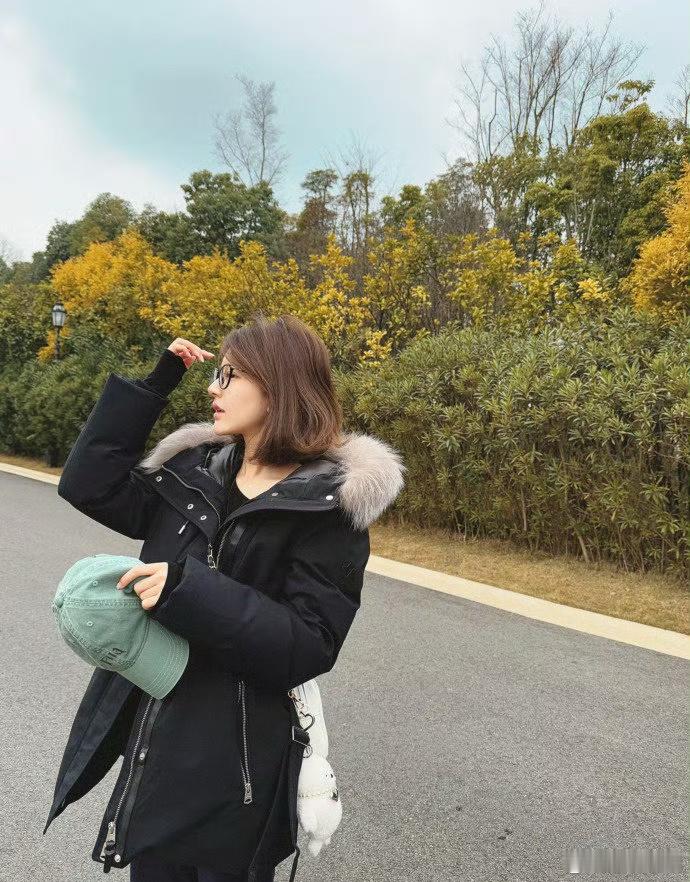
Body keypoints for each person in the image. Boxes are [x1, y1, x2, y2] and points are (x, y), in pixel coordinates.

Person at [43, 313, 407, 881]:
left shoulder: (328, 509)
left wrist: (188, 592)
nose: (213, 388)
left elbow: (309, 644)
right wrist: (154, 385)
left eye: (231, 376)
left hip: (239, 763)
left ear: (278, 384)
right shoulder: (192, 471)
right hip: (157, 736)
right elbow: (88, 482)